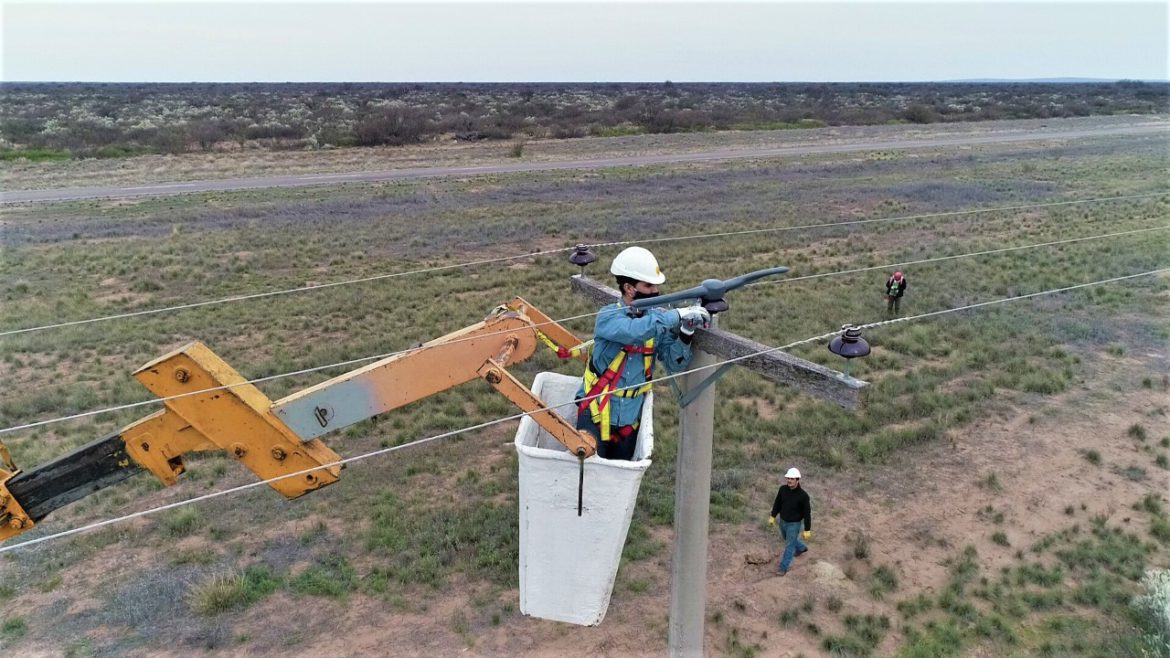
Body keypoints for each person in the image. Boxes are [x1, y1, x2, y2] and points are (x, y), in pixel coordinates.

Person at [575, 246, 710, 461]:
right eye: (648, 285)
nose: (655, 290)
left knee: (620, 482)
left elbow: (674, 364)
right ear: (629, 288)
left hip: (629, 419)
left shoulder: (657, 321)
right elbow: (633, 332)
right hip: (594, 415)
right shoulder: (608, 317)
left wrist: (686, 332)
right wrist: (676, 315)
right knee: (588, 476)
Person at [768, 467, 812, 576]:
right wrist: (773, 516)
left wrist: (807, 529)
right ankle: (802, 548)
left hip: (794, 524)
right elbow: (777, 503)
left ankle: (783, 568)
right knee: (788, 540)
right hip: (782, 522)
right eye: (788, 478)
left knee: (789, 546)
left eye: (792, 479)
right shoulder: (782, 489)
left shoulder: (803, 496)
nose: (789, 481)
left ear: (797, 480)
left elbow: (807, 514)